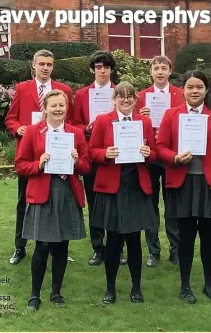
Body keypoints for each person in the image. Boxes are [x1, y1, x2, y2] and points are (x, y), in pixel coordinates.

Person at [156, 70, 211, 303]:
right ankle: (185, 286)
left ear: (206, 89)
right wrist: (174, 158)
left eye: (199, 87)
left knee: (209, 237)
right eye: (190, 87)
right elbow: (160, 146)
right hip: (183, 183)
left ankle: (209, 284)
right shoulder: (172, 115)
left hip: (210, 183)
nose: (194, 91)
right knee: (186, 237)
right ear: (183, 89)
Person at [15, 89, 90, 310]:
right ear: (45, 109)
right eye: (53, 106)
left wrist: (77, 162)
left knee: (61, 245)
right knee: (43, 244)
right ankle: (35, 294)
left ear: (67, 108)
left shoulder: (75, 133)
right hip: (42, 192)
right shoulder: (32, 132)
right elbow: (20, 165)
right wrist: (38, 164)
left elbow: (87, 167)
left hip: (67, 192)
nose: (58, 109)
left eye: (61, 105)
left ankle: (56, 293)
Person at [89, 81, 157, 304]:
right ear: (114, 99)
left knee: (135, 240)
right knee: (114, 240)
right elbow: (91, 152)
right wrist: (105, 153)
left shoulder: (144, 122)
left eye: (130, 96)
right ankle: (110, 288)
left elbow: (154, 154)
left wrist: (148, 153)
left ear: (135, 100)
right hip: (112, 185)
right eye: (121, 96)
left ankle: (136, 288)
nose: (126, 100)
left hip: (136, 185)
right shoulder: (102, 120)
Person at [5, 50, 73, 265]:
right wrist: (20, 129)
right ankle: (20, 246)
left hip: (59, 155)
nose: (45, 68)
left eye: (49, 64)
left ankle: (58, 245)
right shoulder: (23, 89)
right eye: (41, 64)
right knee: (24, 201)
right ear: (33, 66)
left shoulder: (63, 90)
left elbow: (72, 122)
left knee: (58, 202)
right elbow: (11, 119)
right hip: (31, 156)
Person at [73, 50, 127, 267]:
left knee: (118, 202)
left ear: (111, 69)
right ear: (92, 69)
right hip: (92, 153)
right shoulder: (82, 94)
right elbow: (74, 122)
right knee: (95, 202)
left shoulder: (121, 92)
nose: (102, 71)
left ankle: (118, 248)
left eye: (106, 67)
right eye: (98, 67)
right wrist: (86, 127)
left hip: (118, 155)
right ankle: (98, 247)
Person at [136, 55, 184, 267]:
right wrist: (141, 115)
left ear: (170, 71)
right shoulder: (141, 97)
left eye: (164, 68)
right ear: (151, 72)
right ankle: (153, 251)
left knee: (173, 205)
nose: (160, 72)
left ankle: (176, 250)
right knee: (150, 204)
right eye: (156, 68)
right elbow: (131, 125)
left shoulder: (180, 95)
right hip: (149, 155)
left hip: (172, 154)